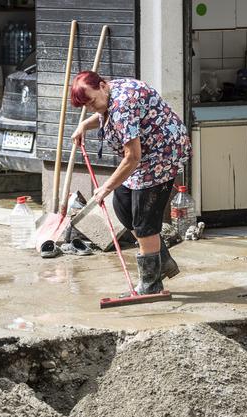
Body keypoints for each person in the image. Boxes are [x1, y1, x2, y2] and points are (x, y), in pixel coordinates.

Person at [70, 71, 191, 295]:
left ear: (103, 86)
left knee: (144, 222)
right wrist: (83, 126)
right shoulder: (109, 93)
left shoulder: (123, 104)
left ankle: (150, 284)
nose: (92, 108)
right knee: (123, 206)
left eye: (93, 102)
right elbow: (103, 113)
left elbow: (132, 156)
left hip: (161, 156)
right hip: (144, 157)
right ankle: (161, 260)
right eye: (86, 106)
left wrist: (106, 187)